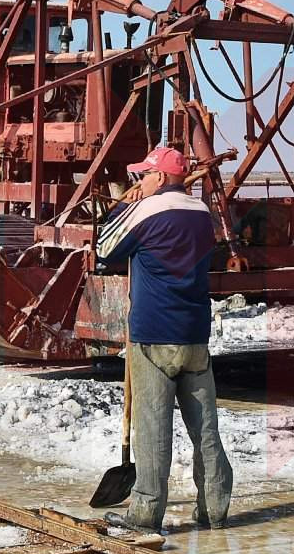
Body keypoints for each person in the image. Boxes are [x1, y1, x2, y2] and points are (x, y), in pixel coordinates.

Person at [93, 145, 234, 532]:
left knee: (153, 427)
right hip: (194, 335)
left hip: (153, 335)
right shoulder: (201, 213)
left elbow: (104, 248)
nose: (140, 181)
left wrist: (123, 206)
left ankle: (145, 512)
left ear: (159, 176)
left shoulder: (146, 210)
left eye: (143, 175)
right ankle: (214, 507)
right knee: (206, 429)